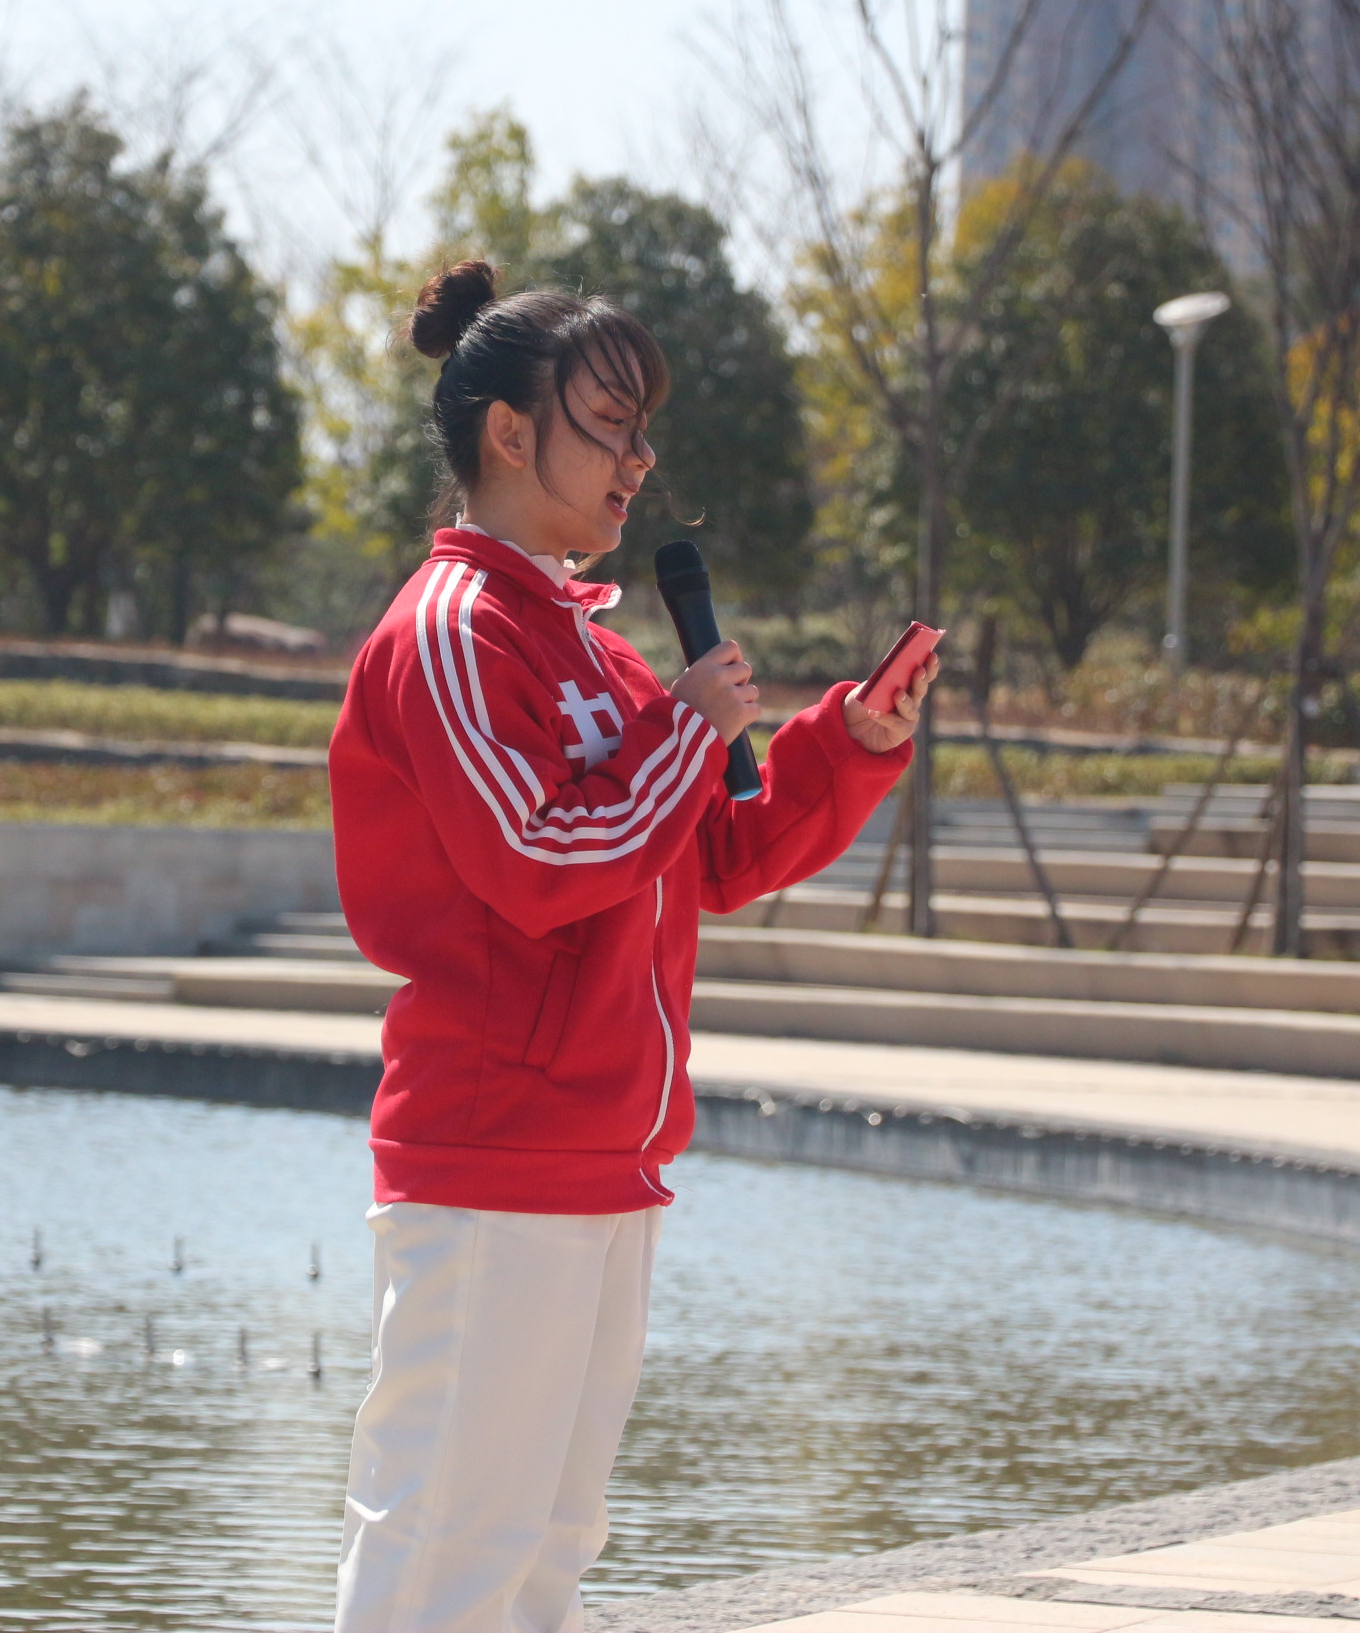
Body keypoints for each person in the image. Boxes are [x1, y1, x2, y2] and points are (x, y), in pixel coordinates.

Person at [327, 259, 936, 1632]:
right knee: (449, 1538)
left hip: (603, 1147)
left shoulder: (590, 650)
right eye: (609, 424)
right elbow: (540, 858)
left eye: (640, 427)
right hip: (496, 1150)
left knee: (547, 1541)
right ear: (508, 433)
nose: (638, 459)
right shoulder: (452, 632)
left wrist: (845, 743)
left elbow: (703, 856)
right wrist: (685, 728)